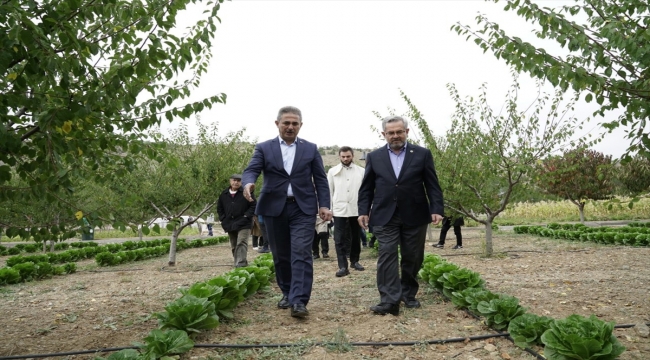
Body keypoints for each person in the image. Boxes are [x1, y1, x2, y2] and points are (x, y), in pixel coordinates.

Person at [242, 106, 332, 319]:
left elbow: (320, 179)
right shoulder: (264, 148)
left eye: (295, 123)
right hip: (274, 208)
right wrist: (248, 184)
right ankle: (287, 291)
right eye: (286, 123)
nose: (290, 127)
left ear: (300, 125)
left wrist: (324, 205)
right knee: (281, 255)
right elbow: (252, 169)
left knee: (301, 252)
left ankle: (299, 300)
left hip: (303, 208)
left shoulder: (310, 149)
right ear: (277, 124)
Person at [358, 115, 444, 316]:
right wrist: (363, 210)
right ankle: (389, 300)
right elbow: (367, 188)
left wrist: (437, 208)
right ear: (384, 134)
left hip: (415, 213)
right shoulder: (375, 157)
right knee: (387, 255)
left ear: (406, 131)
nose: (395, 136)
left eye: (399, 132)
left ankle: (408, 293)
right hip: (384, 214)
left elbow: (432, 184)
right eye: (391, 133)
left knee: (412, 256)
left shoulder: (422, 154)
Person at [327, 146, 366, 277]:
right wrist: (329, 209)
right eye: (343, 157)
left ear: (352, 156)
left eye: (348, 156)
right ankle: (343, 266)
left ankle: (355, 261)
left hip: (356, 209)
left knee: (356, 237)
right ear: (339, 157)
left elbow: (365, 192)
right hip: (339, 210)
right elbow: (329, 192)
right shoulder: (332, 172)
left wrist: (365, 210)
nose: (345, 159)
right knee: (339, 239)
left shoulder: (361, 171)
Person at [217, 174, 257, 268]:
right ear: (230, 181)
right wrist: (223, 218)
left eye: (238, 180)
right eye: (234, 180)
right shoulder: (224, 194)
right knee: (234, 245)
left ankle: (240, 264)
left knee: (241, 242)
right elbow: (220, 208)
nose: (236, 182)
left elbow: (253, 205)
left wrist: (246, 216)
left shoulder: (246, 192)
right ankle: (239, 263)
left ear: (241, 182)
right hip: (230, 223)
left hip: (244, 223)